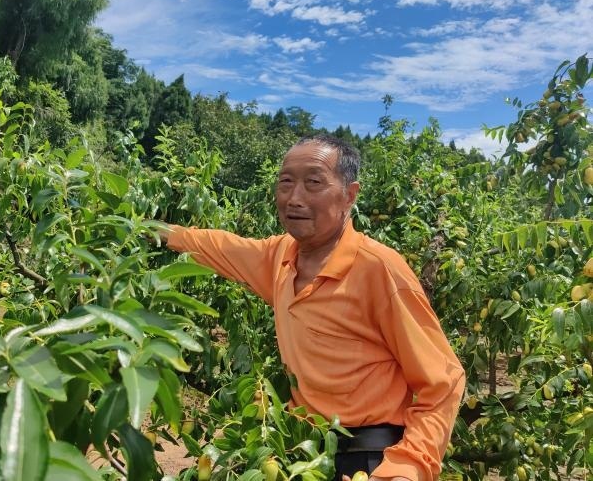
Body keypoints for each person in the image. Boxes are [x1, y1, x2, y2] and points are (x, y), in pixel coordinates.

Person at [158, 135, 465, 481]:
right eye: (286, 183)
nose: (295, 197)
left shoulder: (379, 269)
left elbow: (443, 381)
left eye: (314, 183)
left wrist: (408, 467)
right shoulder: (280, 258)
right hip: (303, 453)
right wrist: (158, 232)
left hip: (370, 460)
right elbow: (220, 246)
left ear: (350, 194)